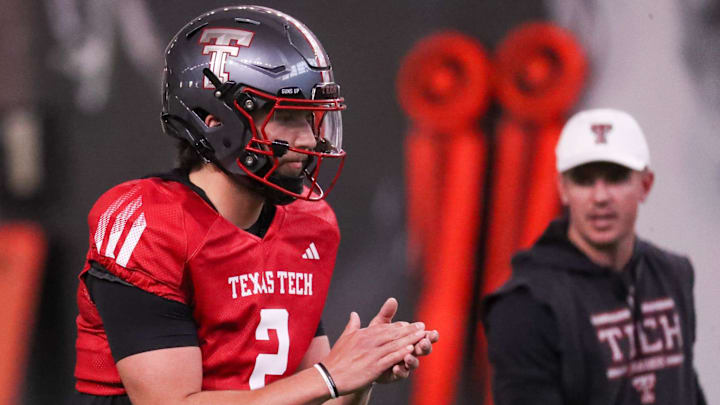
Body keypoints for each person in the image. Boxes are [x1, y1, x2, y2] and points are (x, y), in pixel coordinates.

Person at [74, 6, 438, 405]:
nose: (310, 140)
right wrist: (332, 374)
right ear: (213, 120)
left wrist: (361, 375)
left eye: (312, 119)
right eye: (288, 117)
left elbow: (311, 397)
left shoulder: (308, 221)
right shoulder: (151, 223)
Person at [483, 108, 706, 405]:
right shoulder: (526, 305)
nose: (600, 197)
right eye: (584, 180)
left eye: (615, 178)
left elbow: (685, 386)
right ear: (563, 189)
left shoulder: (672, 274)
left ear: (646, 184)